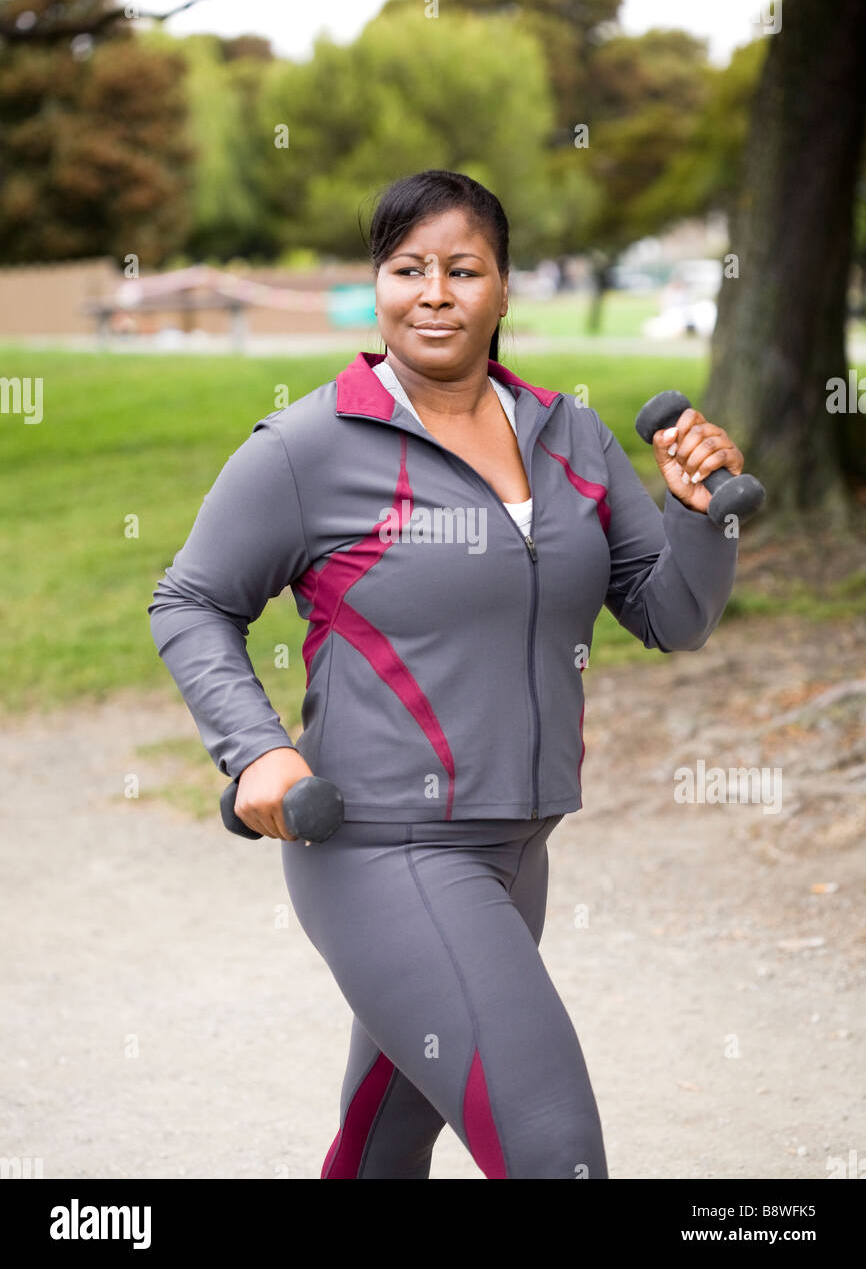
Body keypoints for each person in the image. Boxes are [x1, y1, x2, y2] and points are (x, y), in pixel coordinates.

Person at [147, 169, 744, 1179]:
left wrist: (700, 513)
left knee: (386, 1136)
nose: (432, 292)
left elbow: (670, 614)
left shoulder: (572, 439)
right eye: (405, 268)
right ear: (375, 285)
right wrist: (256, 750)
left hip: (519, 848)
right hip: (380, 848)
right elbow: (192, 600)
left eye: (461, 269)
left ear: (504, 290)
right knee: (553, 1150)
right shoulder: (306, 448)